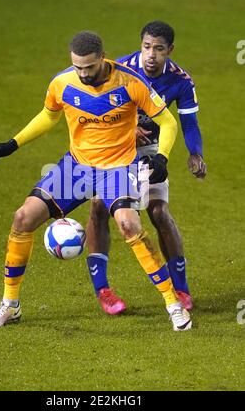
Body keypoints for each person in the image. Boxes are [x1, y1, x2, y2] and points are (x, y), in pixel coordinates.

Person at [0, 31, 191, 331]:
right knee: (23, 217)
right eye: (77, 67)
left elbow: (167, 121)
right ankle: (9, 305)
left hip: (119, 168)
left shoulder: (130, 82)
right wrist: (12, 144)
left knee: (129, 224)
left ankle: (173, 304)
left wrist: (162, 157)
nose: (83, 74)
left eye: (89, 68)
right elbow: (48, 115)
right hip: (78, 167)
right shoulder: (62, 82)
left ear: (102, 59)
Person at [86, 21, 206, 314]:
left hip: (151, 152)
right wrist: (126, 129)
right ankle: (103, 290)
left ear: (170, 50)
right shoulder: (118, 70)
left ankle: (181, 289)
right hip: (112, 146)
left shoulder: (180, 81)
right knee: (100, 207)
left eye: (159, 49)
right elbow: (92, 111)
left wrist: (195, 154)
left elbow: (189, 123)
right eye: (147, 47)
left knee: (159, 211)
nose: (151, 55)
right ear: (141, 45)